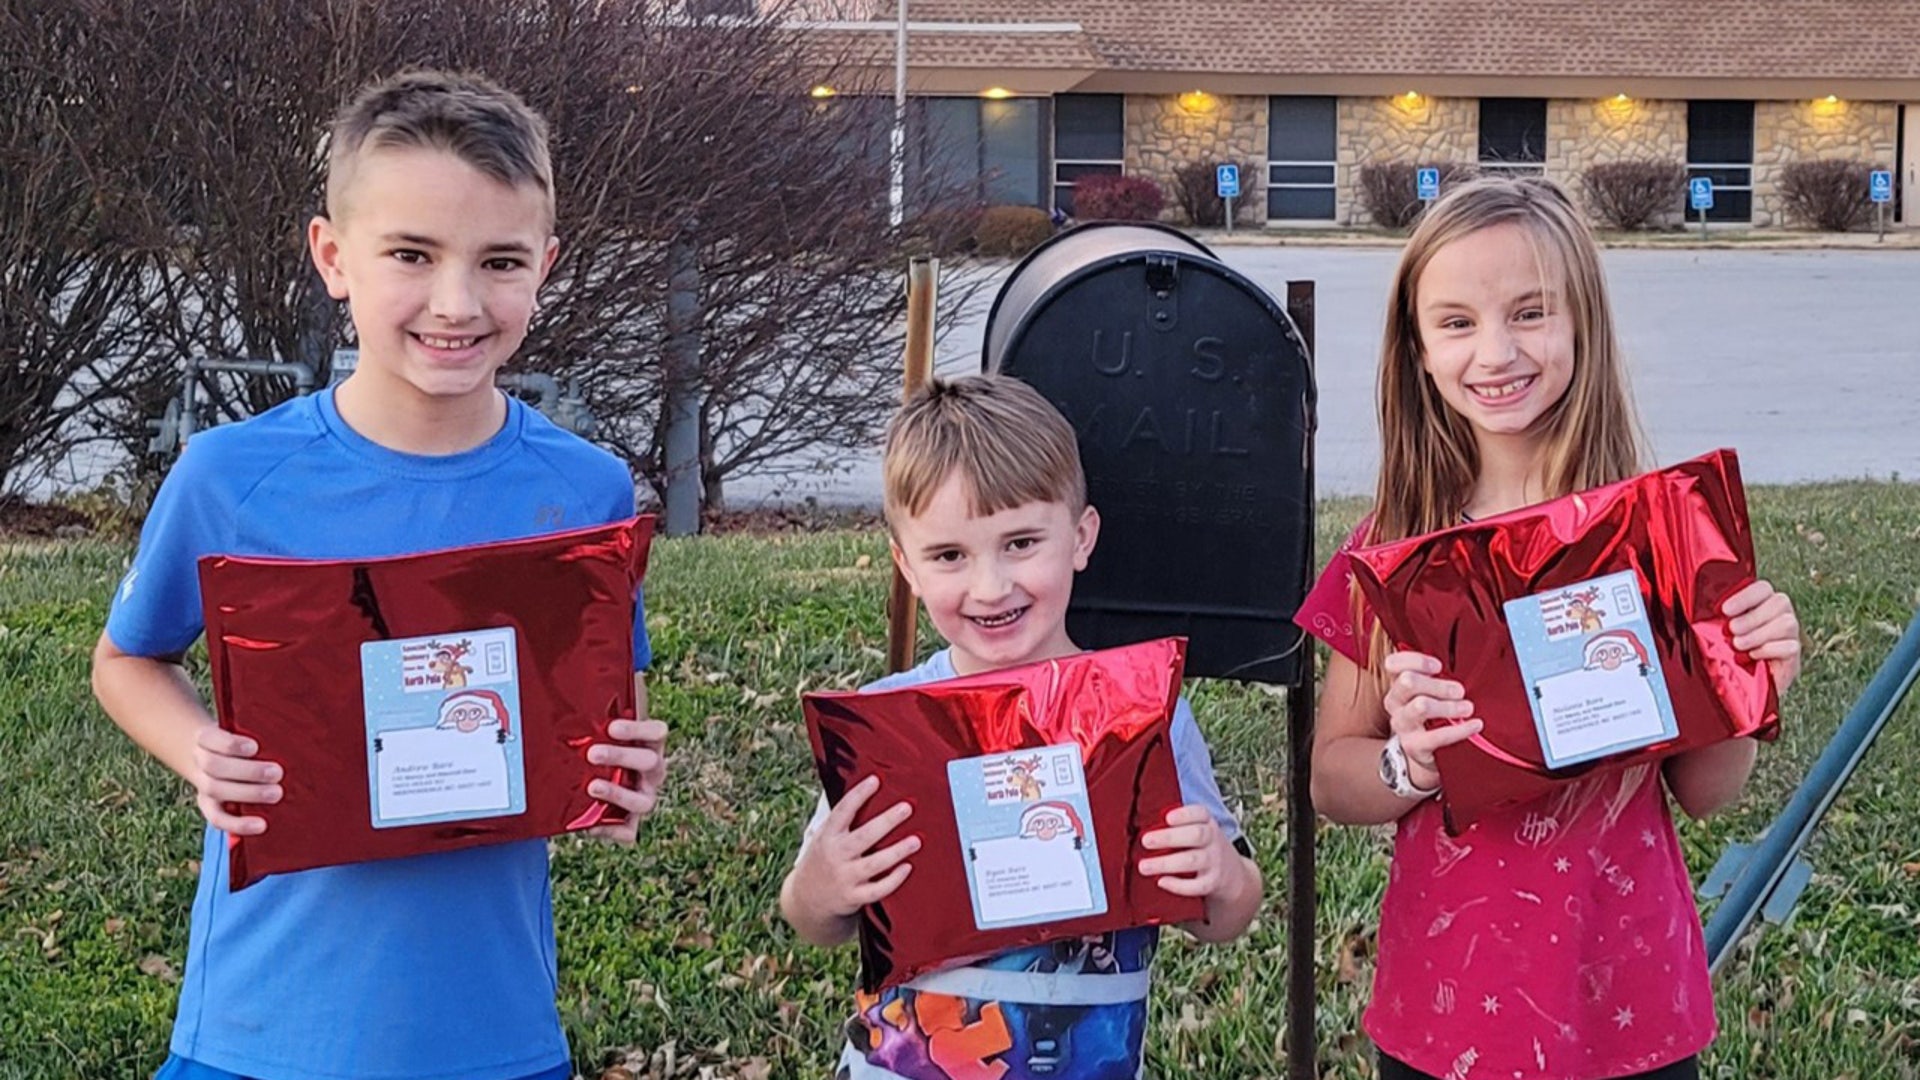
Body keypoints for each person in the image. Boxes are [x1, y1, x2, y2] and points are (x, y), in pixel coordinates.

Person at [89, 70, 666, 1080]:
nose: (456, 302)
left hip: (494, 1033)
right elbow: (126, 662)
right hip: (261, 1031)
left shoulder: (584, 491)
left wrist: (620, 776)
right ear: (333, 256)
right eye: (412, 254)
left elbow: (602, 718)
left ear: (546, 268)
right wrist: (200, 752)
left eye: (499, 262)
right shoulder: (232, 477)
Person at [1298, 176, 1802, 1080]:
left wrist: (1749, 679)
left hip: (1630, 991)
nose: (1494, 352)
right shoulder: (1395, 547)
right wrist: (1405, 763)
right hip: (1447, 998)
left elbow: (1704, 791)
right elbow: (1332, 782)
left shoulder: (1658, 536)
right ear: (1416, 349)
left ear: (1583, 326)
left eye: (1529, 313)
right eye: (1456, 322)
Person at [780, 375, 1263, 1079]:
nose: (990, 586)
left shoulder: (1143, 712)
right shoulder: (887, 724)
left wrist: (1219, 875)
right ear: (905, 564)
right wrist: (821, 886)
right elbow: (817, 917)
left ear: (1081, 537)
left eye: (1021, 542)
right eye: (949, 555)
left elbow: (1223, 915)